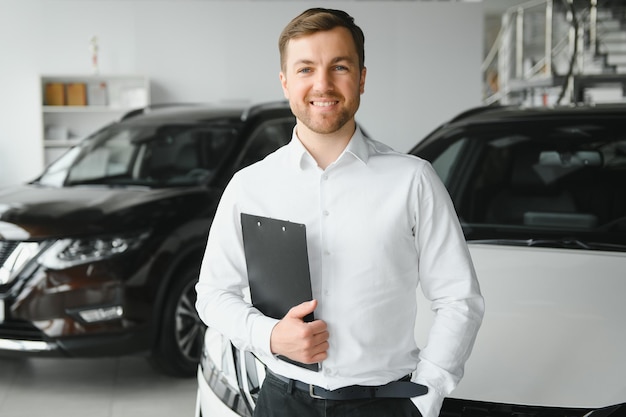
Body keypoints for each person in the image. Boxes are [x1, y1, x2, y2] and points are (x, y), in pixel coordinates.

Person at [195, 8, 484, 417]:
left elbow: (459, 299)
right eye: (306, 69)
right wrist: (271, 335)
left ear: (362, 77)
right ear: (285, 83)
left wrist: (427, 395)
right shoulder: (249, 186)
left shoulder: (413, 180)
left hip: (385, 405)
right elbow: (212, 294)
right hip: (282, 403)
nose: (322, 84)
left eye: (340, 66)